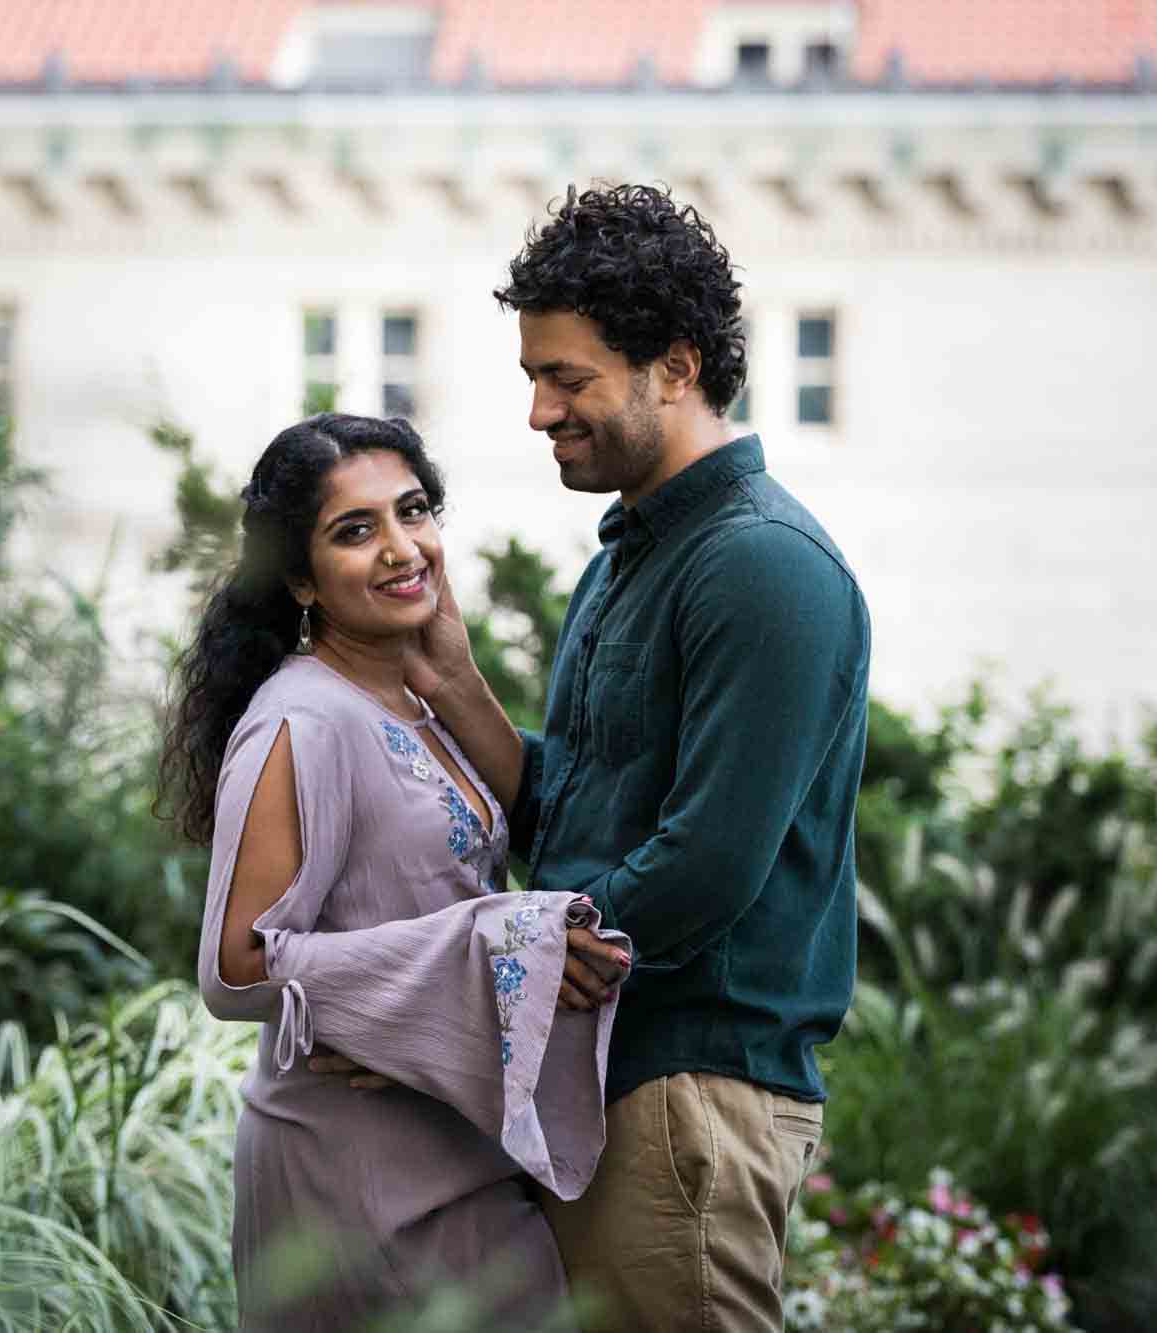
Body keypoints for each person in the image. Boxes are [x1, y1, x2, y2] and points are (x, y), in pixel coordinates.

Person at [404, 184, 873, 1331]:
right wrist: (452, 682)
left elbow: (704, 864)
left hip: (689, 1090)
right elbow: (567, 810)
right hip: (615, 1084)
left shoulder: (760, 565)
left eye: (567, 379)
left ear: (673, 364)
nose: (538, 412)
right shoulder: (624, 561)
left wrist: (514, 949)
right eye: (531, 378)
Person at [159, 412, 632, 1332]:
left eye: (413, 512)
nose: (399, 548)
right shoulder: (302, 721)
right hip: (349, 1169)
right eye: (355, 530)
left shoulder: (416, 696)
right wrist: (477, 949)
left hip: (456, 1147)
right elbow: (234, 968)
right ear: (299, 576)